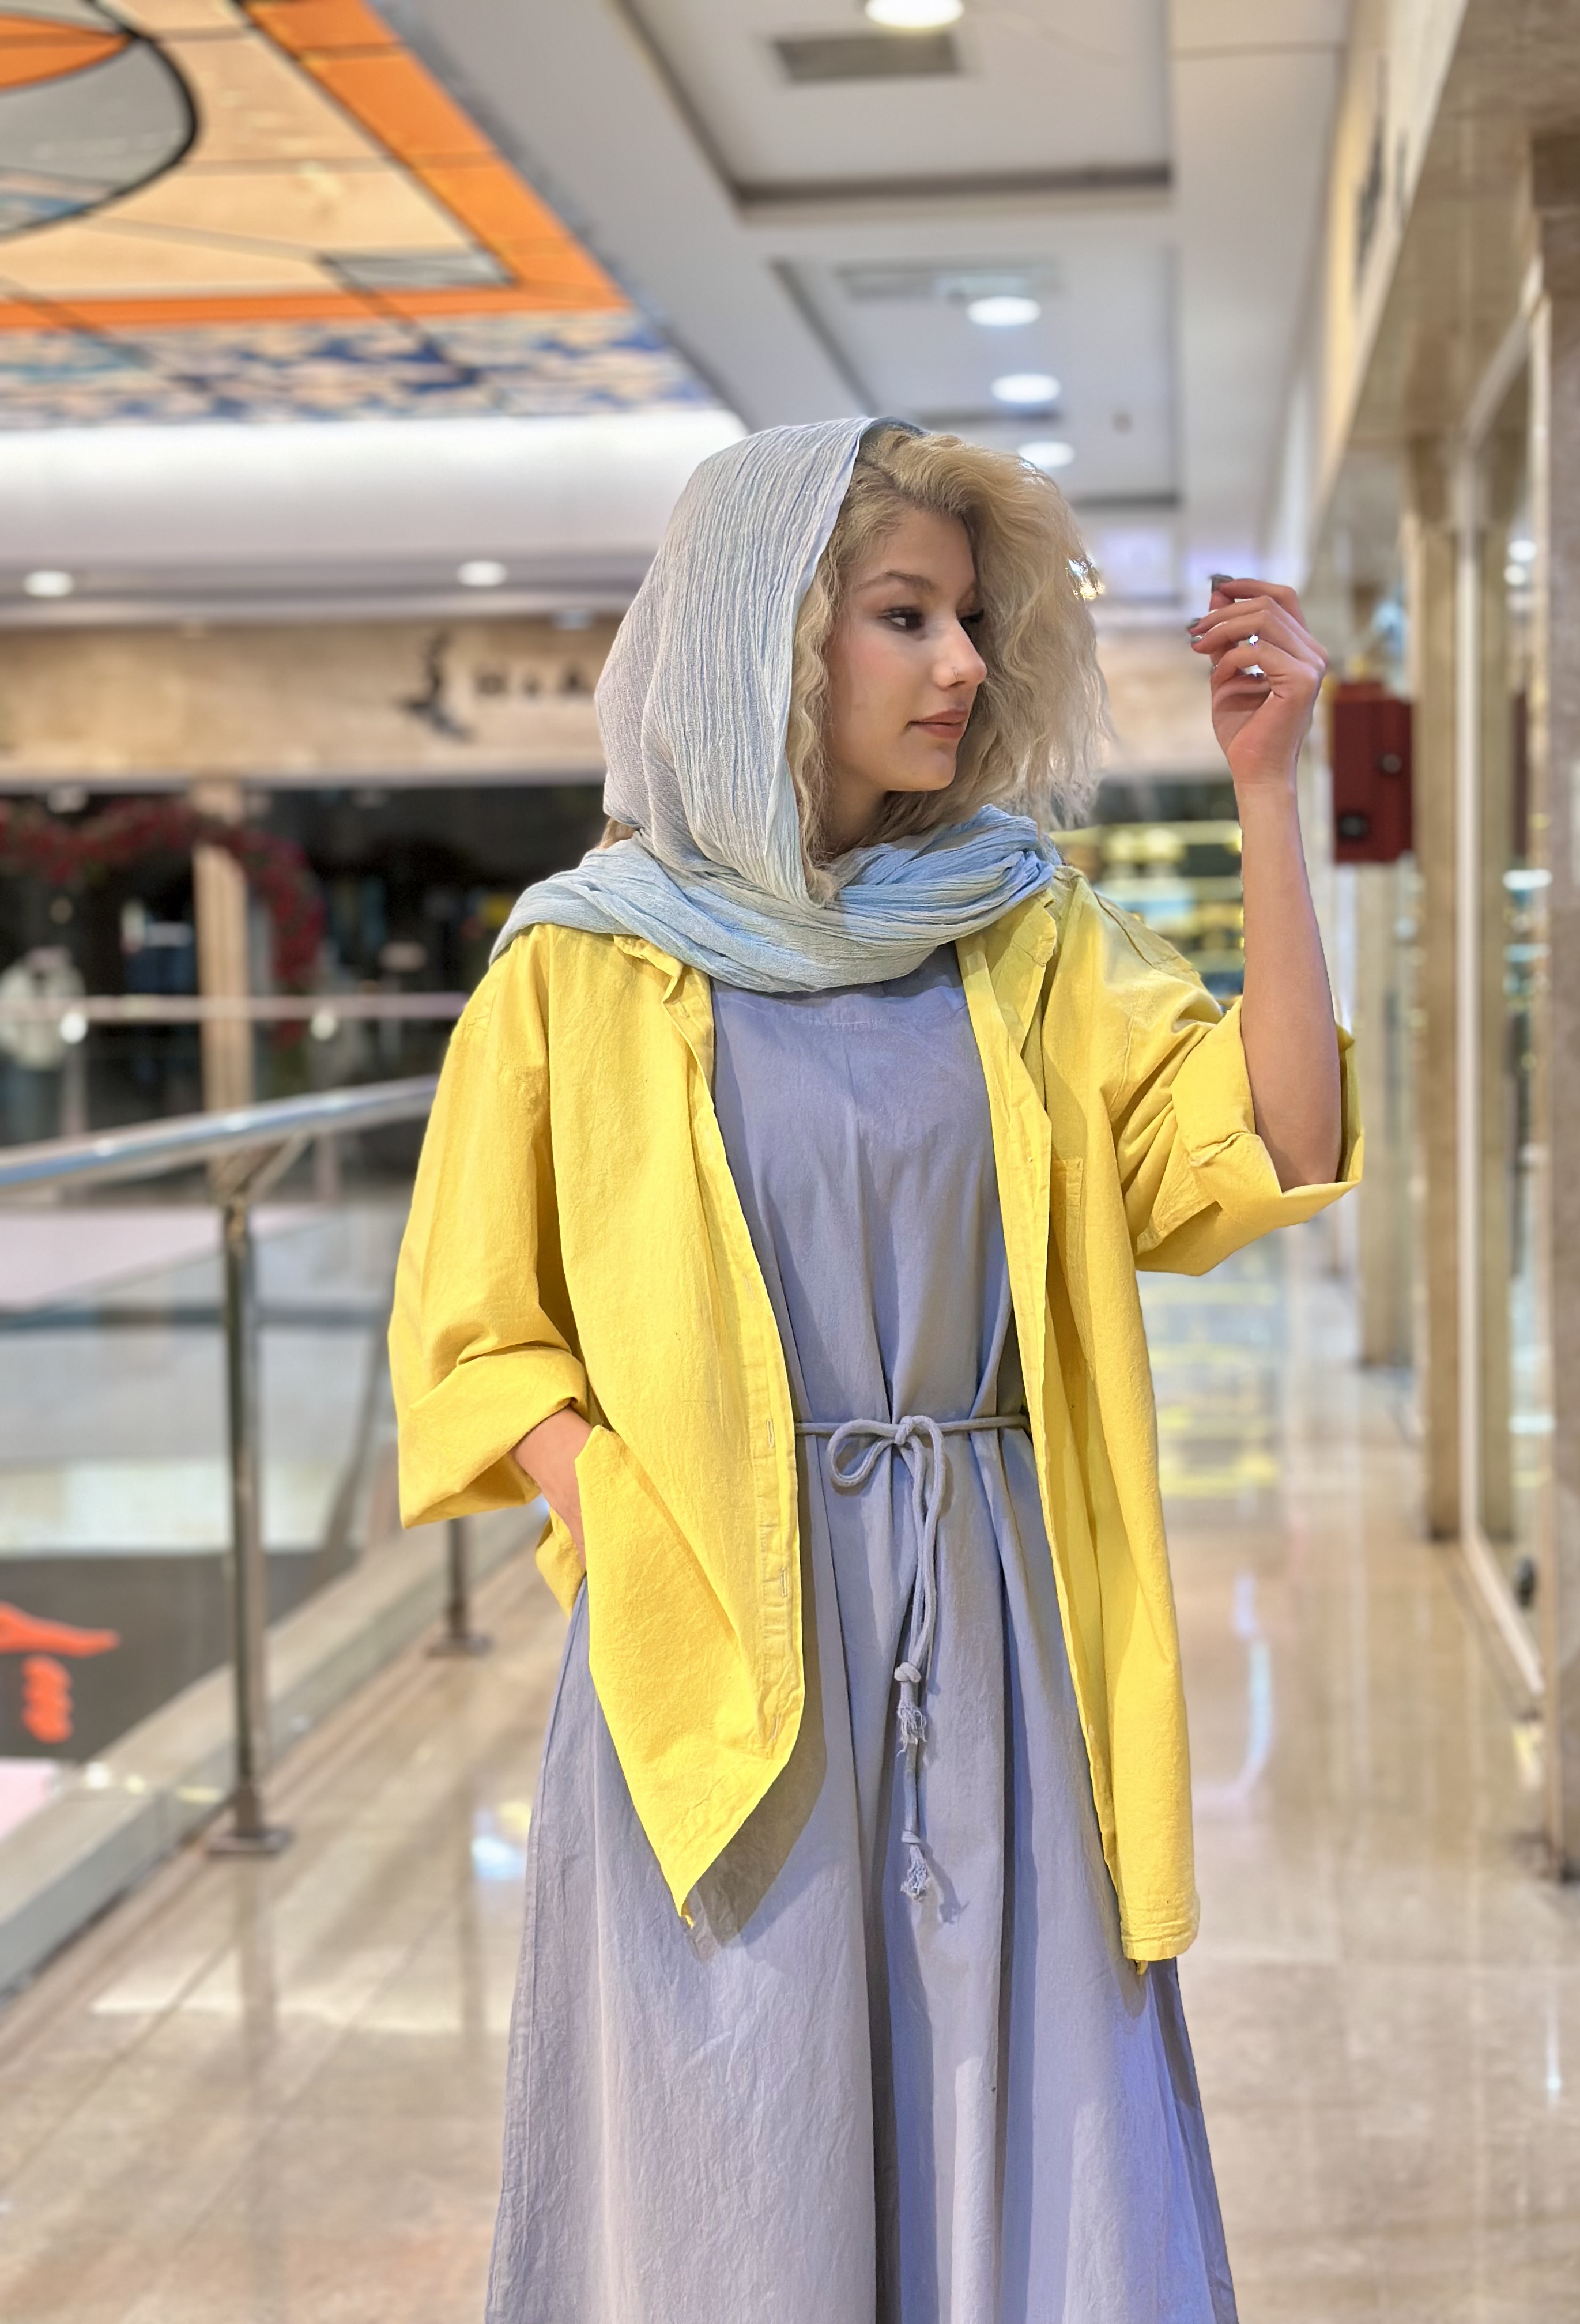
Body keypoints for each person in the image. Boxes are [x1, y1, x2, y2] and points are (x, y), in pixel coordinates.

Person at [389, 418, 1359, 2323]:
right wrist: (632, 1513)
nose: (962, 664)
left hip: (995, 1617)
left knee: (1027, 2105)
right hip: (714, 1623)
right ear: (767, 632)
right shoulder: (579, 966)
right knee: (737, 2135)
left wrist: (1270, 795)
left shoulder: (1024, 933)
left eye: (971, 620)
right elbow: (474, 1336)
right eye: (905, 615)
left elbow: (1277, 1139)